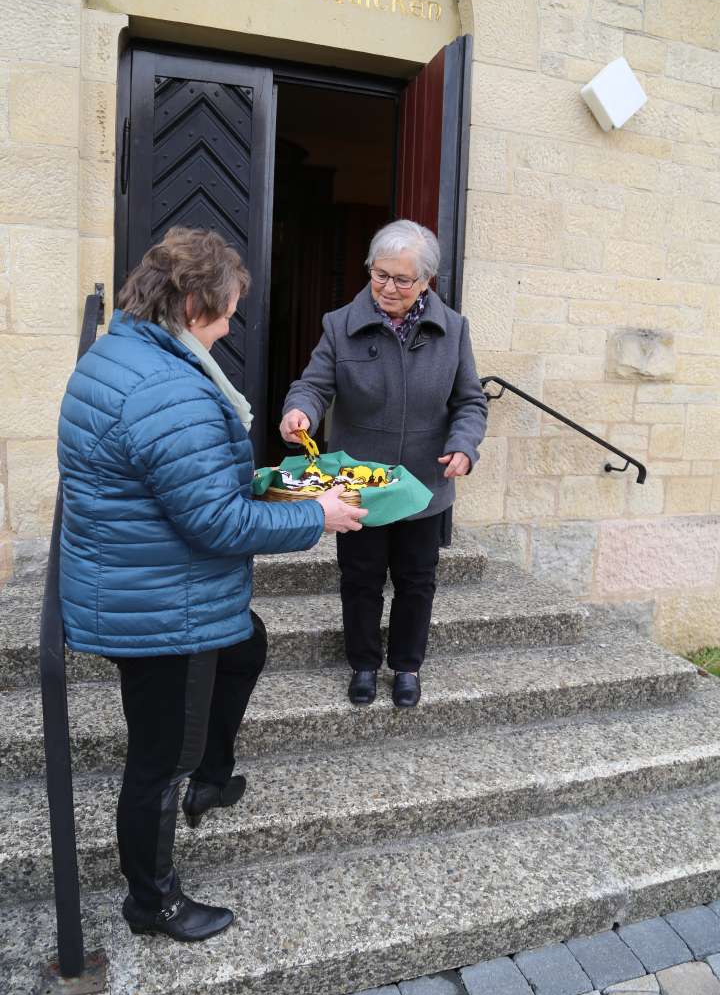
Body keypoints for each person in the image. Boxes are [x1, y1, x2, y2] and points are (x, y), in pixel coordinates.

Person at [57, 227, 366, 944]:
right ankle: (153, 901)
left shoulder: (125, 349)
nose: (231, 327)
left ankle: (213, 776)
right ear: (193, 303)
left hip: (141, 573)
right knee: (157, 759)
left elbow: (178, 481)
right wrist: (316, 516)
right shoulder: (169, 386)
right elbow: (217, 526)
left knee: (246, 645)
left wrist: (265, 486)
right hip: (161, 599)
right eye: (226, 311)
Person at [280, 219, 487, 709]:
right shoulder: (340, 324)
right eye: (380, 275)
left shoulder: (453, 330)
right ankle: (364, 665)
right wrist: (300, 411)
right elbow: (313, 384)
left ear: (426, 281)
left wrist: (464, 445)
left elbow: (470, 402)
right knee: (360, 578)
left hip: (423, 482)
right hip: (361, 483)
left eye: (402, 279)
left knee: (418, 580)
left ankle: (408, 666)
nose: (388, 288)